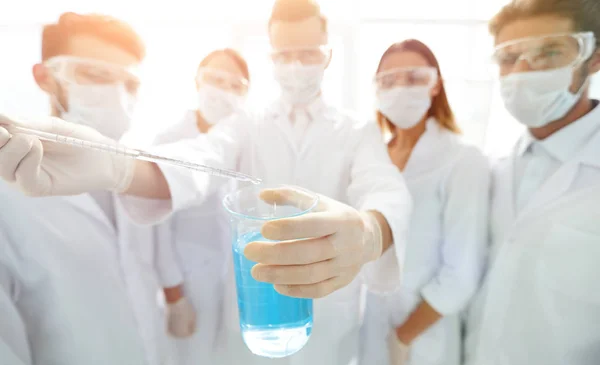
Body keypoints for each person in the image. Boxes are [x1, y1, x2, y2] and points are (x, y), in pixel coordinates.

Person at [0, 1, 412, 363]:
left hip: (328, 321)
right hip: (254, 318)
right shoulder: (246, 123)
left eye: (309, 53)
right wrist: (120, 169)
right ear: (271, 58)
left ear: (328, 56)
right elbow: (202, 157)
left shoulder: (357, 130)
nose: (298, 64)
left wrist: (372, 231)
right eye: (286, 54)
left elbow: (385, 186)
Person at [0, 13, 169, 365]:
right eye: (95, 75)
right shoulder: (8, 196)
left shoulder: (137, 170)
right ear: (45, 77)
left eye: (130, 84)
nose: (118, 96)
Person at [463, 0, 600, 364]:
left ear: (594, 58)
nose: (523, 71)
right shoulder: (497, 164)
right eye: (509, 58)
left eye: (549, 52)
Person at [358, 40, 489, 365]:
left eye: (414, 77)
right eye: (388, 80)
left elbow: (462, 272)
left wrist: (403, 336)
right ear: (377, 91)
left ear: (435, 85)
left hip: (425, 339)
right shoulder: (371, 157)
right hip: (367, 330)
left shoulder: (462, 159)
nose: (400, 88)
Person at [152, 48, 250, 364]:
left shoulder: (245, 141)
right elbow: (159, 226)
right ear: (197, 82)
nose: (222, 90)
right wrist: (174, 294)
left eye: (234, 84)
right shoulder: (169, 139)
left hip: (233, 277)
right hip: (190, 278)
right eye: (214, 79)